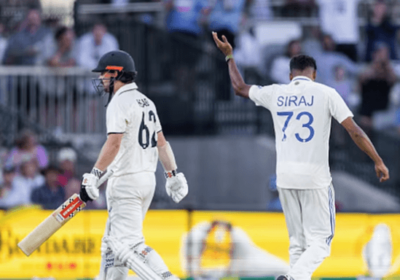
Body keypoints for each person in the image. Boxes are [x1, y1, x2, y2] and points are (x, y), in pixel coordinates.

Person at [212, 32, 389, 280]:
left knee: (297, 244)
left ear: (290, 76)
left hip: (284, 178)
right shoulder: (326, 93)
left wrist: (229, 56)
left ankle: (293, 278)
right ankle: (293, 278)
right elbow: (355, 131)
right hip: (315, 178)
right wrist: (378, 160)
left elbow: (239, 88)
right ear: (314, 75)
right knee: (322, 242)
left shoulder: (276, 92)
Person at [79, 50, 189, 280]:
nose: (101, 79)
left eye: (104, 74)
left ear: (117, 73)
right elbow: (161, 142)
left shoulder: (119, 102)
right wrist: (173, 174)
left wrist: (94, 174)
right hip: (146, 181)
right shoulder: (146, 101)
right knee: (111, 245)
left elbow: (114, 143)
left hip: (126, 183)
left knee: (129, 244)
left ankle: (165, 277)